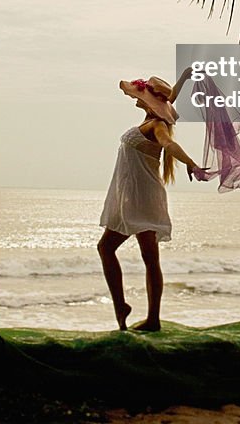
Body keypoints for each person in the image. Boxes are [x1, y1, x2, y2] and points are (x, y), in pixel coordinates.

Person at [97, 67, 208, 331]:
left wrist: (191, 163)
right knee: (146, 256)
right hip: (135, 195)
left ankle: (132, 311)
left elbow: (169, 144)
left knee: (110, 249)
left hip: (141, 196)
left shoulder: (157, 125)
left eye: (142, 93)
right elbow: (169, 99)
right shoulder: (151, 121)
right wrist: (183, 77)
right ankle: (146, 316)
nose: (137, 96)